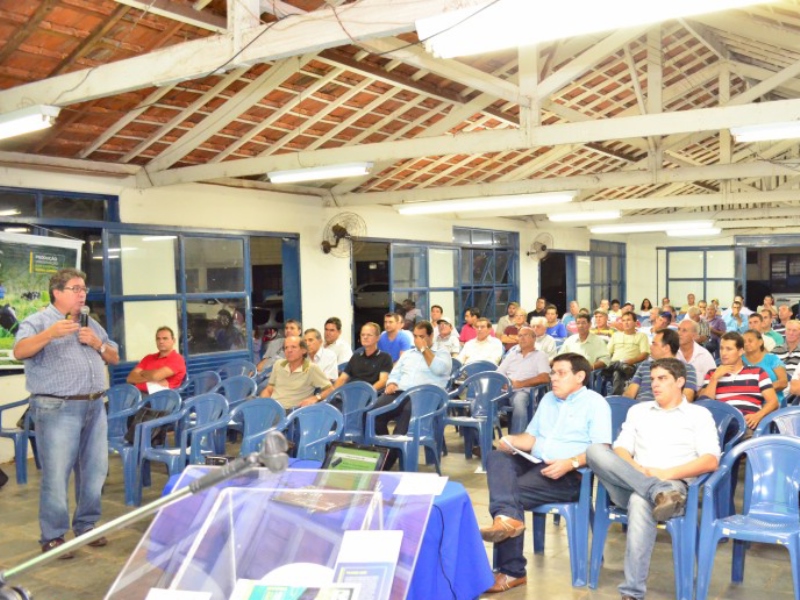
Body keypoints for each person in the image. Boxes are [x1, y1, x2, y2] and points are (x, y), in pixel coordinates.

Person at [586, 358, 720, 600]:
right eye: (652, 379)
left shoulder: (699, 415)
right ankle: (654, 490)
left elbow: (711, 460)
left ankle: (632, 593)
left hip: (673, 485)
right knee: (595, 450)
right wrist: (638, 470)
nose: (655, 385)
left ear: (680, 382)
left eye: (662, 379)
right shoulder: (638, 410)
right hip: (633, 479)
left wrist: (664, 475)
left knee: (640, 501)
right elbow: (621, 450)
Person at [479, 353, 611, 594]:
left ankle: (512, 571)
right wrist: (512, 441)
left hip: (570, 474)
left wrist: (570, 463)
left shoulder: (595, 403)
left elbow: (601, 448)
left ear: (580, 376)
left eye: (561, 373)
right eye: (553, 373)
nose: (554, 379)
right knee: (497, 456)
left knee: (508, 493)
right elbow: (531, 438)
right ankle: (508, 522)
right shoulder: (549, 399)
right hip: (536, 462)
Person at [13, 268, 120, 556]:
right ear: (57, 292)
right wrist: (50, 334)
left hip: (95, 406)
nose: (82, 293)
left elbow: (115, 356)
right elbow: (20, 351)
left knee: (94, 471)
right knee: (56, 473)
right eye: (75, 288)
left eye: (84, 288)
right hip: (58, 408)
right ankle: (54, 535)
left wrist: (97, 344)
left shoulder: (92, 324)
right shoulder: (37, 322)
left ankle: (86, 525)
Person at [371, 321, 451, 470]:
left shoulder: (442, 353)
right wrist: (392, 383)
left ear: (431, 336)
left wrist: (425, 350)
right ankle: (386, 451)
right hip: (401, 392)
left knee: (407, 415)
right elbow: (395, 372)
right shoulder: (408, 354)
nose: (417, 340)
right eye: (415, 336)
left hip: (425, 397)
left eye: (422, 336)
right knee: (374, 412)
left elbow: (439, 369)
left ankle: (388, 461)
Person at [699, 332, 779, 431]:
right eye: (721, 348)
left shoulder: (757, 372)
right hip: (720, 425)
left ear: (741, 351)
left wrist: (758, 416)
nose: (723, 353)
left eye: (729, 349)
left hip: (748, 423)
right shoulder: (712, 374)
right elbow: (705, 403)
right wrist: (715, 378)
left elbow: (774, 402)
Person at [496, 326, 550, 434]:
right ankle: (481, 443)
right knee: (482, 401)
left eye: (526, 335)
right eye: (520, 335)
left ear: (534, 338)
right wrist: (503, 382)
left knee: (519, 403)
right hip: (505, 390)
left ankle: (516, 443)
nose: (522, 338)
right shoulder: (512, 355)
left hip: (523, 391)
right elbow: (498, 373)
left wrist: (521, 384)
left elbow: (545, 377)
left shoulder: (540, 355)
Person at [625, 328, 698, 402]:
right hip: (640, 409)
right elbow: (629, 394)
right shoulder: (645, 365)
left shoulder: (687, 369)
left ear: (666, 348)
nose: (650, 347)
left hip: (670, 411)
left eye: (654, 344)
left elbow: (687, 398)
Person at [259, 336, 333, 409]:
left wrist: (316, 397)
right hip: (273, 408)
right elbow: (269, 389)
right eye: (286, 348)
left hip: (291, 411)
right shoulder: (278, 364)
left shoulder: (311, 368)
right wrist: (263, 403)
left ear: (303, 350)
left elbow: (330, 390)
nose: (289, 350)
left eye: (293, 347)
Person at [331, 322, 392, 393]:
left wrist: (366, 393)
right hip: (350, 392)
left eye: (369, 335)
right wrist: (332, 394)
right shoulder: (356, 356)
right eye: (362, 335)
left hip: (369, 395)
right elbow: (342, 378)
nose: (365, 337)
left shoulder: (385, 357)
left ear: (377, 338)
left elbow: (383, 381)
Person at [600, 312, 650, 395]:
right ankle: (622, 367)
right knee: (619, 368)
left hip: (631, 365)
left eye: (628, 320)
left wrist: (632, 361)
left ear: (635, 322)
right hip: (616, 365)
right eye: (623, 320)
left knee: (617, 372)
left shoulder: (641, 336)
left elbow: (645, 354)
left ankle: (616, 396)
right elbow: (607, 353)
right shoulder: (616, 335)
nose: (626, 323)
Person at [126, 326, 187, 393]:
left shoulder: (177, 359)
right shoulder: (148, 358)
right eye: (158, 339)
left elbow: (156, 376)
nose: (161, 341)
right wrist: (153, 377)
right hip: (138, 394)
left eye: (165, 338)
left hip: (161, 398)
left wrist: (142, 373)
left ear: (173, 341)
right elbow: (130, 378)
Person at [743, 329, 787, 406]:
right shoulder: (739, 360)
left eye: (750, 341)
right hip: (747, 402)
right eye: (744, 342)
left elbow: (783, 382)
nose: (746, 344)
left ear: (760, 342)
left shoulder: (772, 359)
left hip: (773, 402)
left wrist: (762, 390)